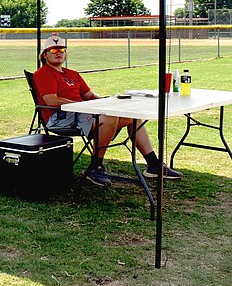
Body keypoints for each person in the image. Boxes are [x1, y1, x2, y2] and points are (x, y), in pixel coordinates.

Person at [32, 33, 182, 186]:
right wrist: (82, 106)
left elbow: (89, 95)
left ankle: (153, 165)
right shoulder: (43, 73)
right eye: (53, 51)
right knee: (109, 117)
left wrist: (107, 101)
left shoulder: (73, 74)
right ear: (44, 55)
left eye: (61, 50)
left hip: (81, 112)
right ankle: (95, 167)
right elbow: (50, 100)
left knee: (133, 117)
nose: (58, 53)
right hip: (60, 117)